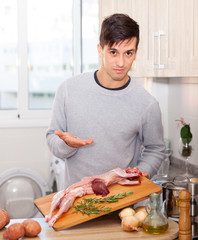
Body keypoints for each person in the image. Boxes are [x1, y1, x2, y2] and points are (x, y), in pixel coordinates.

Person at [46, 13, 165, 188]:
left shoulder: (147, 104)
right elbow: (52, 138)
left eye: (128, 53)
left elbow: (155, 149)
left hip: (123, 203)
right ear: (100, 50)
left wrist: (139, 173)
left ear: (136, 53)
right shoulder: (68, 90)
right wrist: (66, 144)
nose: (121, 62)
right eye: (113, 52)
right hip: (77, 203)